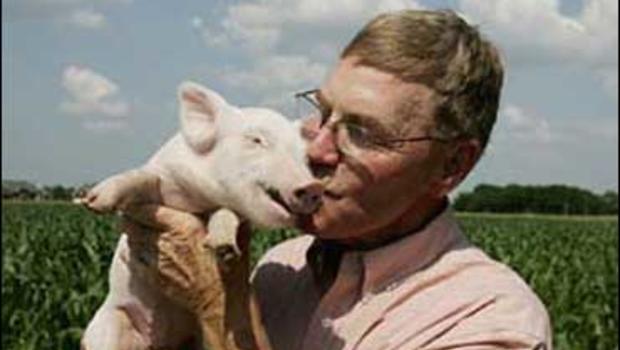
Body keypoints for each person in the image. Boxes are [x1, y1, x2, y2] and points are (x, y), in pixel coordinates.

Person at [122, 9, 552, 350]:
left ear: (451, 166)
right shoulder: (280, 266)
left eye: (363, 132)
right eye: (323, 112)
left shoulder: (482, 321)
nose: (316, 150)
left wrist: (217, 301)